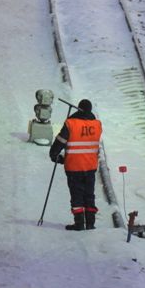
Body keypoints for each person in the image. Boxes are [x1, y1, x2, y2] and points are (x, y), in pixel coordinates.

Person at [49, 98, 102, 230]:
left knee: (76, 195)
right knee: (89, 195)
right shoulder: (97, 124)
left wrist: (54, 155)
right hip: (90, 167)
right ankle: (90, 224)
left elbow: (61, 140)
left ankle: (79, 224)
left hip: (74, 167)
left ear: (79, 109)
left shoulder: (71, 123)